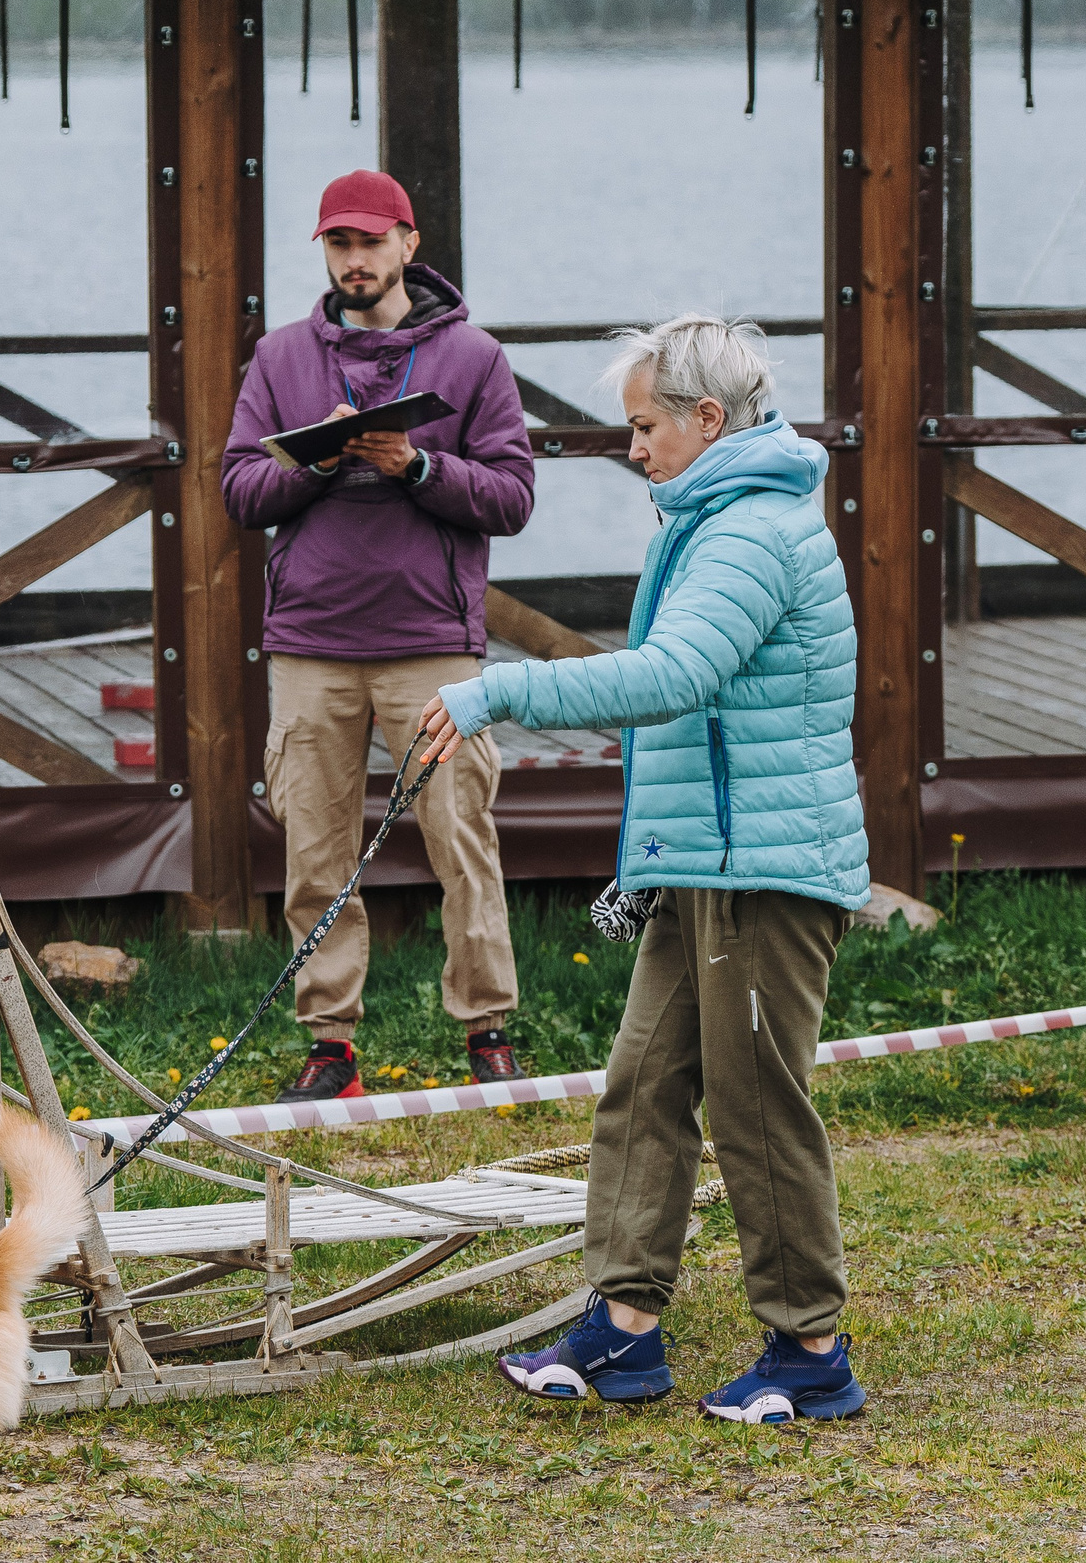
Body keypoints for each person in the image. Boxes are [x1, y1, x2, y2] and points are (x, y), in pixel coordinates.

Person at [417, 313, 872, 1424]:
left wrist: (497, 691)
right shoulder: (715, 517)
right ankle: (622, 1330)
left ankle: (810, 1350)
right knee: (642, 1087)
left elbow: (670, 677)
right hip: (705, 864)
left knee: (755, 1108)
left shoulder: (749, 531)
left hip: (761, 870)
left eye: (644, 427)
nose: (633, 449)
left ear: (707, 419)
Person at [222, 169, 536, 1103]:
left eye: (369, 241)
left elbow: (512, 498)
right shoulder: (280, 357)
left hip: (433, 642)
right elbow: (239, 490)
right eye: (338, 243)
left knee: (462, 841)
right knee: (314, 854)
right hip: (310, 645)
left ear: (409, 243)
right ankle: (331, 1046)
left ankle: (488, 1029)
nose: (354, 259)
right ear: (325, 252)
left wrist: (417, 465)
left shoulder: (474, 358)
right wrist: (318, 459)